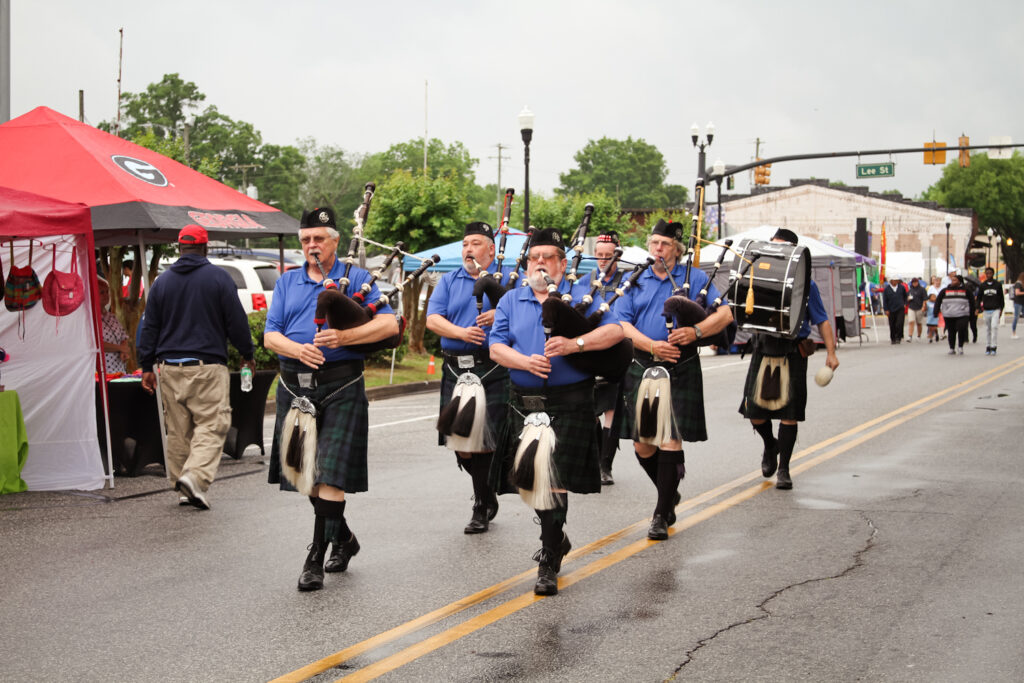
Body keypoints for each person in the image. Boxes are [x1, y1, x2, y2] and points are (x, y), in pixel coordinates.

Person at [264, 207, 399, 592]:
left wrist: (343, 338)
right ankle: (343, 538)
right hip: (295, 387)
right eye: (305, 239)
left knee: (330, 476)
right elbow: (270, 335)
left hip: (341, 386)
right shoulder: (287, 282)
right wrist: (297, 349)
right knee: (305, 476)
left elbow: (388, 324)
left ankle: (315, 558)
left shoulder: (357, 278)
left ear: (335, 241)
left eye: (318, 239)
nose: (311, 246)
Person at [489, 227, 624, 596]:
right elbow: (496, 347)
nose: (540, 264)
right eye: (534, 257)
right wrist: (524, 362)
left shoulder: (583, 295)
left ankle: (548, 560)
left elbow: (615, 333)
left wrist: (576, 343)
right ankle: (558, 536)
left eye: (548, 257)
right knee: (530, 483)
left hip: (570, 398)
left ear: (563, 264)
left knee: (554, 480)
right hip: (524, 400)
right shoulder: (511, 300)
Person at [618, 220, 733, 540]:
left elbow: (725, 315)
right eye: (653, 243)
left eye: (664, 244)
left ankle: (660, 513)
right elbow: (623, 324)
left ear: (677, 249)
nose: (657, 249)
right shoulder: (634, 280)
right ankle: (669, 494)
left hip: (681, 367)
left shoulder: (694, 278)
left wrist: (696, 331)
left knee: (669, 439)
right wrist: (652, 345)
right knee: (642, 445)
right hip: (642, 364)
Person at [137, 225, 255, 510]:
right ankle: (195, 477)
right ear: (205, 248)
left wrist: (146, 365)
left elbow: (148, 327)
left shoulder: (162, 283)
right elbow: (236, 321)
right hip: (206, 367)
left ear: (180, 248)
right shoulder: (218, 278)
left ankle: (181, 487)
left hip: (169, 369)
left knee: (179, 431)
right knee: (213, 424)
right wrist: (247, 353)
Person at [425, 221, 511, 534]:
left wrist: (500, 311)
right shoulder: (449, 280)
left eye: (475, 243)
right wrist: (462, 332)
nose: (468, 249)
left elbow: (525, 315)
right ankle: (488, 494)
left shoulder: (508, 279)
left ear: (491, 249)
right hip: (455, 368)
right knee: (461, 443)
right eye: (465, 244)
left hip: (490, 367)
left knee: (485, 440)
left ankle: (480, 505)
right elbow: (433, 318)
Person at [740, 229, 839, 490]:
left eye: (781, 248)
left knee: (789, 414)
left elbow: (822, 319)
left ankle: (784, 468)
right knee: (755, 414)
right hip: (763, 347)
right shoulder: (755, 276)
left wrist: (831, 352)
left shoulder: (808, 284)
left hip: (793, 350)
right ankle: (770, 444)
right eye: (772, 247)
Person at [573, 230, 626, 485]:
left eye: (609, 256)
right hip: (591, 348)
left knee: (612, 410)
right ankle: (595, 459)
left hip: (617, 350)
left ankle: (606, 465)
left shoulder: (628, 281)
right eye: (600, 256)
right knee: (591, 408)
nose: (604, 260)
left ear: (618, 253)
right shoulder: (584, 281)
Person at [934, 272, 975, 355]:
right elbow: (938, 300)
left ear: (960, 281)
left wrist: (972, 314)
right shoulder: (945, 290)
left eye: (955, 280)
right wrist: (936, 311)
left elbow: (972, 302)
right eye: (952, 280)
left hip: (962, 314)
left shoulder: (966, 290)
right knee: (951, 331)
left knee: (961, 329)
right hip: (949, 314)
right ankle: (952, 348)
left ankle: (960, 346)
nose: (952, 282)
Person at [97, 277, 130, 373]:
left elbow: (124, 336)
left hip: (119, 368)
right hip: (103, 370)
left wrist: (123, 350)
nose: (106, 295)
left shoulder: (112, 316)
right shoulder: (90, 319)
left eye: (107, 292)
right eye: (102, 292)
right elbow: (95, 344)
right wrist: (120, 348)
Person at [977, 267, 1005, 355]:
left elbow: (1001, 298)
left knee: (994, 327)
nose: (988, 275)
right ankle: (988, 346)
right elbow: (979, 298)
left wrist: (1001, 309)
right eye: (987, 273)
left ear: (993, 274)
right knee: (988, 329)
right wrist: (978, 308)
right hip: (986, 310)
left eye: (990, 273)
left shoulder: (997, 285)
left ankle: (994, 346)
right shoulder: (983, 285)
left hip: (995, 309)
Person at [881, 276, 907, 344]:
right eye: (895, 280)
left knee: (899, 323)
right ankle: (893, 338)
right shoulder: (887, 289)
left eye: (897, 280)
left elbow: (905, 296)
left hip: (900, 308)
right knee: (892, 324)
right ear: (891, 281)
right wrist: (886, 309)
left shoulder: (901, 287)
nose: (896, 282)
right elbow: (885, 300)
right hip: (891, 309)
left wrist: (904, 303)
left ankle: (899, 337)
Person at [906, 277, 928, 342]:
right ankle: (910, 336)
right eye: (913, 282)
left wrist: (924, 306)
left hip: (919, 307)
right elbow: (906, 299)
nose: (915, 283)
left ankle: (919, 335)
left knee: (919, 323)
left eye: (916, 282)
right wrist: (908, 299)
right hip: (911, 307)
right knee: (911, 321)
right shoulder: (910, 290)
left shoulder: (922, 289)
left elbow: (925, 299)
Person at [926, 276, 944, 341]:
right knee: (931, 323)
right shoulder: (931, 288)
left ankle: (942, 334)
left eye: (939, 281)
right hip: (932, 307)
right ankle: (933, 334)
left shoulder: (943, 288)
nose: (938, 282)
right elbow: (928, 297)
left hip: (941, 306)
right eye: (936, 281)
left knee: (940, 321)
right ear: (934, 281)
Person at [1013, 273, 1024, 339]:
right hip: (1018, 303)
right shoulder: (1018, 284)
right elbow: (1017, 293)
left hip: (1022, 302)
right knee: (1016, 317)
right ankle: (1013, 332)